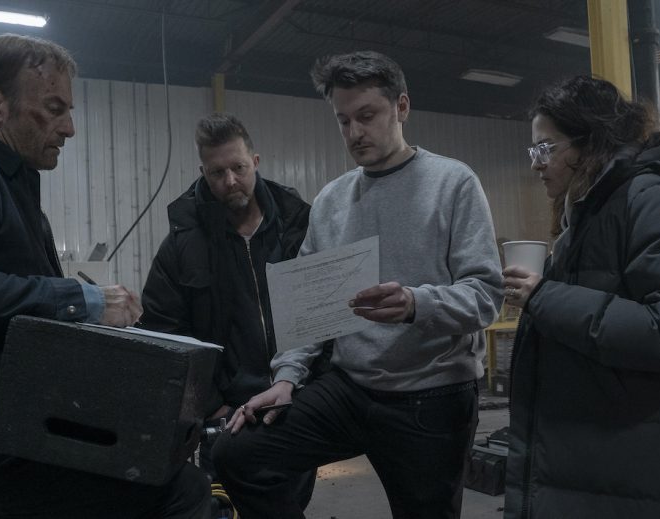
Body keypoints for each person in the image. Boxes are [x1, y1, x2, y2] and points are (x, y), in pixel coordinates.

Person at [0, 34, 209, 519]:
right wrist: (84, 299)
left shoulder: (10, 183)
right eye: (54, 108)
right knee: (175, 487)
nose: (70, 128)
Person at [212, 50, 503, 519]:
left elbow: (486, 296)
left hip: (430, 394)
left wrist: (415, 303)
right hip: (351, 388)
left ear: (402, 107)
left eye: (367, 116)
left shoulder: (453, 184)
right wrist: (287, 377)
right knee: (238, 455)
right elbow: (308, 308)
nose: (354, 133)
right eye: (343, 121)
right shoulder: (332, 201)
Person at [502, 75, 660, 518]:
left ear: (588, 143)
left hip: (658, 470)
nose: (536, 164)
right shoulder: (591, 212)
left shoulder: (657, 202)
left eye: (546, 148)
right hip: (616, 460)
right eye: (532, 151)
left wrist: (544, 297)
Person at [138, 113, 315, 504]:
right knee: (228, 509)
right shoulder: (182, 247)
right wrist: (211, 405)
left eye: (237, 167)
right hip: (228, 416)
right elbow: (164, 333)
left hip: (291, 400)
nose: (230, 181)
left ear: (255, 160)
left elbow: (320, 310)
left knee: (291, 506)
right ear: (202, 172)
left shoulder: (298, 228)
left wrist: (305, 385)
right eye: (217, 173)